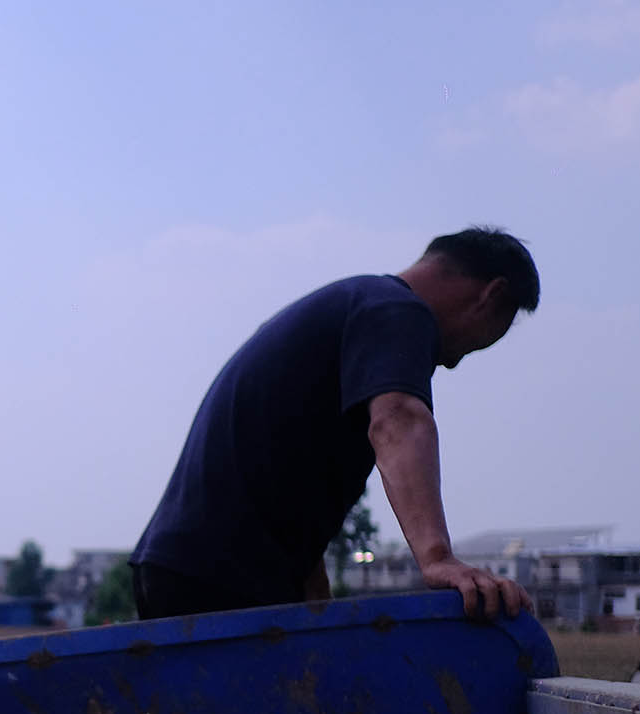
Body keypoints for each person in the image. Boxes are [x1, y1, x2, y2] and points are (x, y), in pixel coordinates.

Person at [129, 227, 539, 621]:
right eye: (487, 338)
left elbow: (282, 468)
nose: (453, 361)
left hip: (184, 568)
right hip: (220, 577)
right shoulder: (398, 310)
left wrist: (311, 588)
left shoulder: (356, 306)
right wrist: (437, 559)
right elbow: (397, 419)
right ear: (492, 295)